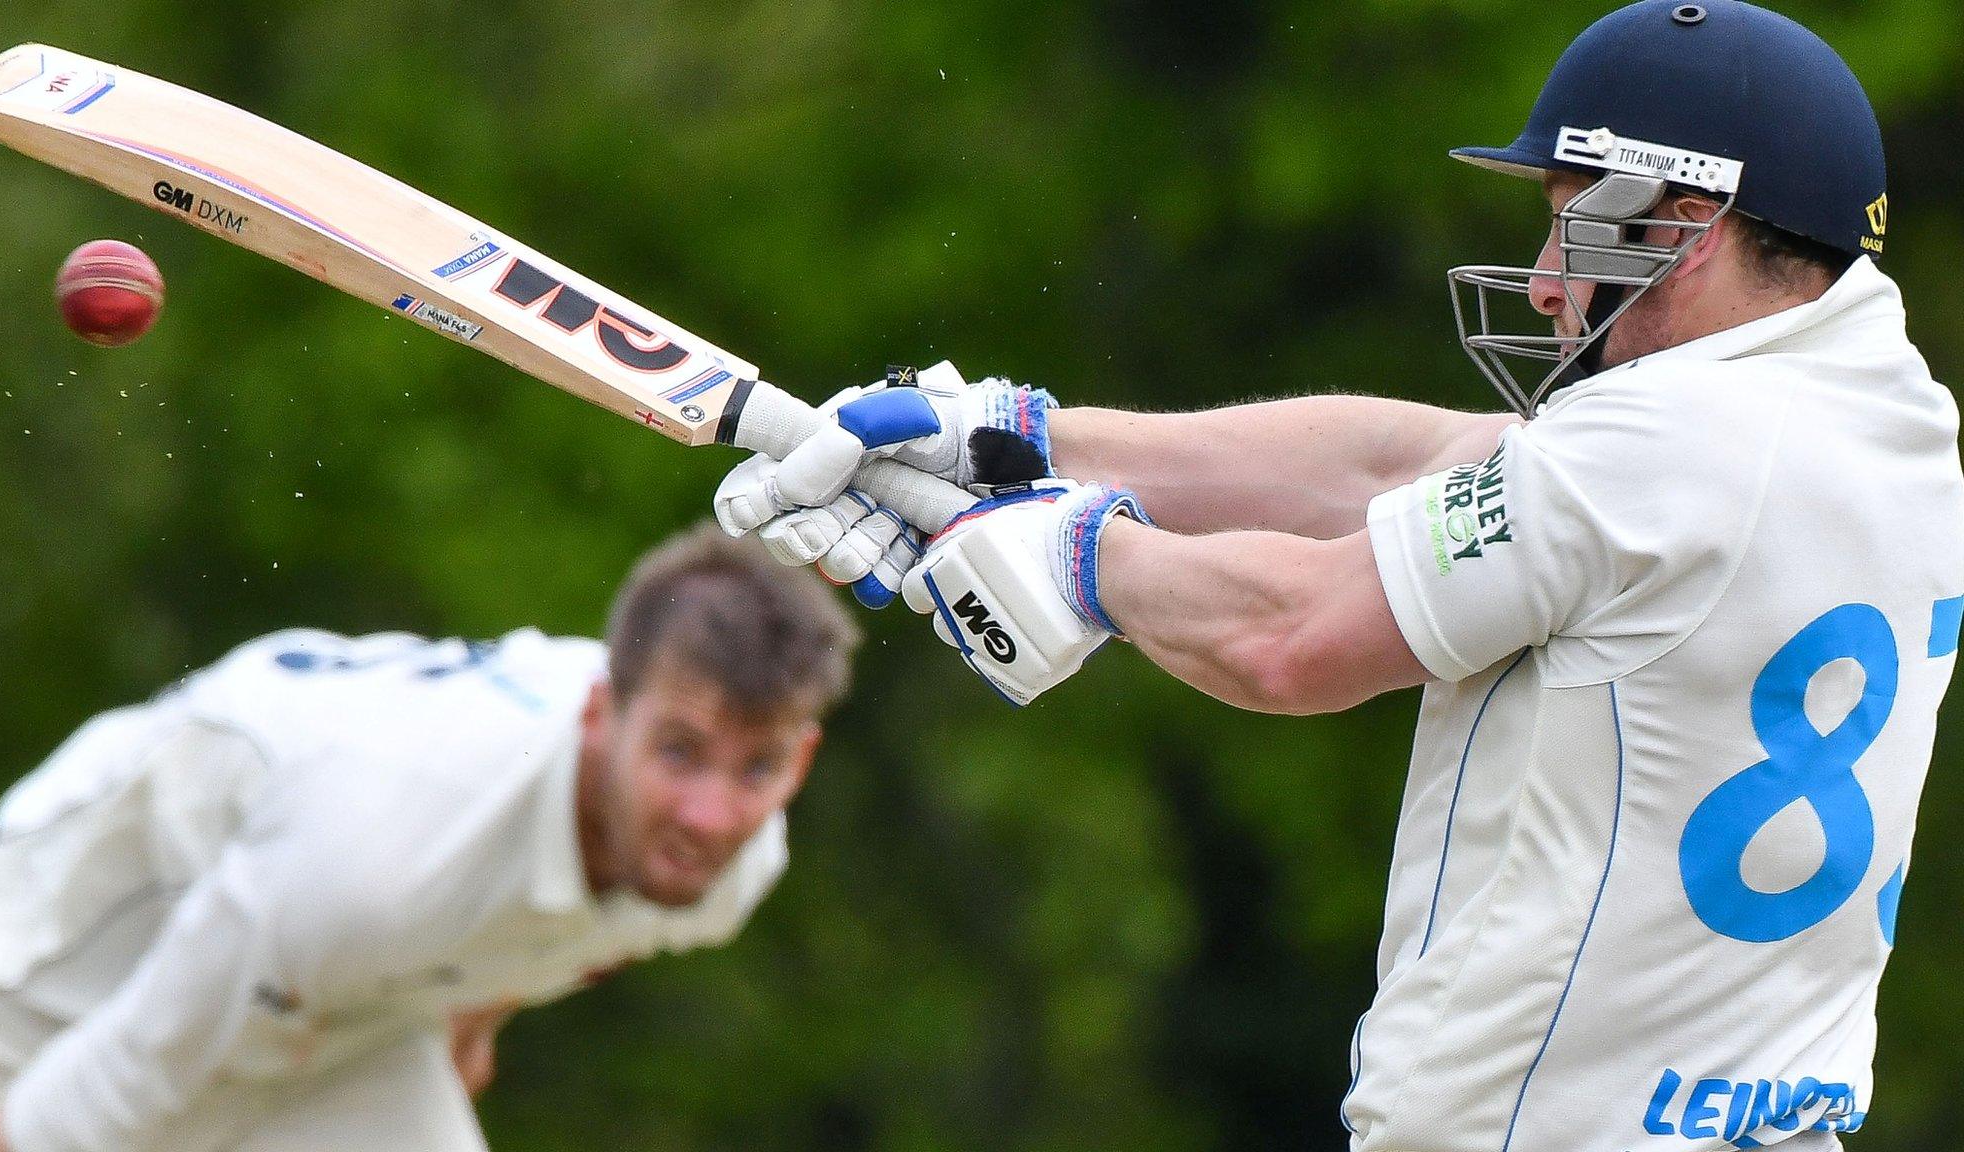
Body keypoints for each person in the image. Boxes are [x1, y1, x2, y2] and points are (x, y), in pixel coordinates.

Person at [717, 2, 1963, 1148]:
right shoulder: (1886, 430)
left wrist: (1072, 554)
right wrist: (1022, 440)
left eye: (1574, 220)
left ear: (1685, 227)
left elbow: (1290, 639)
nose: (1542, 280)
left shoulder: (1664, 445)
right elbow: (1407, 462)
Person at [0, 523, 858, 1152]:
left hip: (327, 1008)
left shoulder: (734, 868)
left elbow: (538, 919)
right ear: (601, 714)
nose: (708, 815)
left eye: (756, 769)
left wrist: (478, 1009)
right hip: (69, 958)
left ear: (801, 759)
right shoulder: (377, 854)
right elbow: (130, 1071)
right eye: (680, 751)